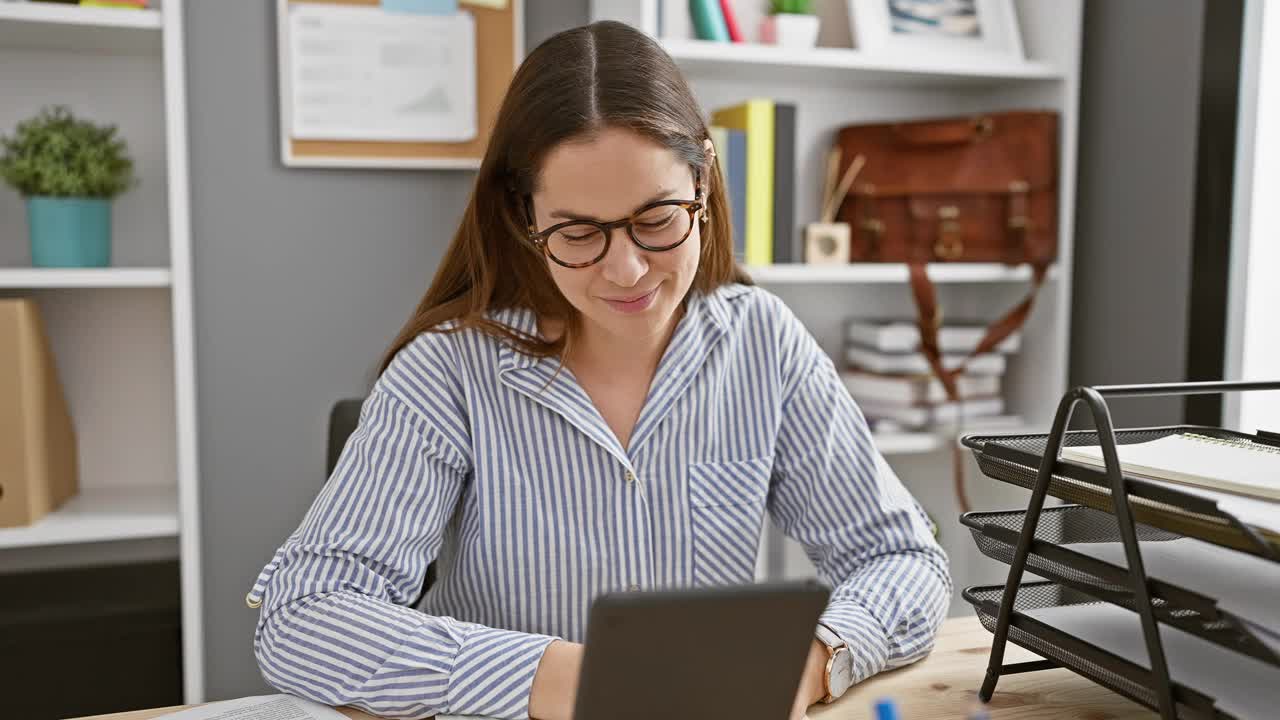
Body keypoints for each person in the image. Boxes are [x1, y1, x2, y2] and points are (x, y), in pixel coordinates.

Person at [246, 20, 950, 720]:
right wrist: (578, 679)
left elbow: (903, 559)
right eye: (579, 232)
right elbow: (302, 618)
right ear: (525, 217)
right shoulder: (448, 371)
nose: (628, 269)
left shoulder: (763, 341)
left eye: (658, 218)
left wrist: (813, 660)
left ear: (702, 179)